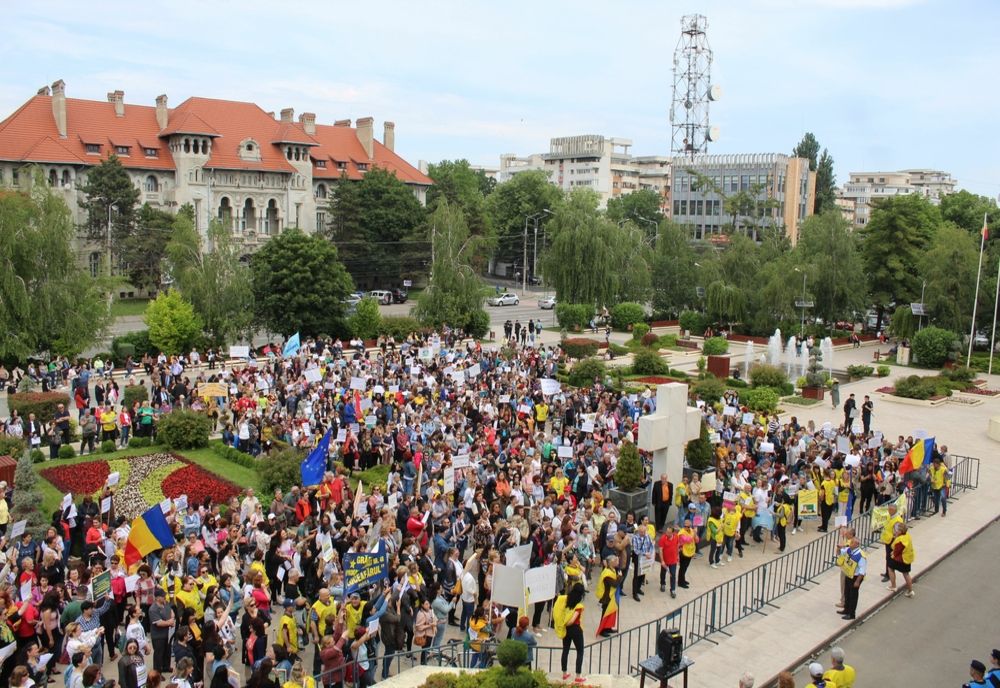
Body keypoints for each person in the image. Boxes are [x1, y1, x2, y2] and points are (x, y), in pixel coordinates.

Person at [558, 583, 585, 684]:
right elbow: (572, 620)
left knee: (565, 650)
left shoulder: (567, 600)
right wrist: (567, 623)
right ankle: (578, 675)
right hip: (575, 630)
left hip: (567, 630)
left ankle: (564, 673)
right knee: (580, 651)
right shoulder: (578, 605)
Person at [838, 536, 866, 620]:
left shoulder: (861, 556)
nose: (850, 543)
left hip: (855, 577)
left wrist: (857, 581)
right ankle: (846, 610)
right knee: (847, 592)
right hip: (848, 575)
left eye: (852, 542)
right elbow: (841, 552)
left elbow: (862, 571)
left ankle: (851, 614)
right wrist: (839, 548)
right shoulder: (849, 550)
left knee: (853, 595)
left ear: (856, 544)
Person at [594, 555, 621, 637]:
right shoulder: (607, 573)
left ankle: (608, 627)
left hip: (611, 596)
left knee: (611, 612)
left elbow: (618, 568)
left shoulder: (612, 569)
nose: (616, 562)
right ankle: (602, 630)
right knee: (605, 613)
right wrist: (619, 577)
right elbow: (615, 584)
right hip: (606, 597)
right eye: (615, 561)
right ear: (610, 563)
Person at [887, 521, 915, 597]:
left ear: (900, 531)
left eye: (896, 530)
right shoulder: (907, 535)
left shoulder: (900, 540)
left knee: (890, 568)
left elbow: (897, 550)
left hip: (901, 559)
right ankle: (910, 590)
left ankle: (893, 586)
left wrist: (892, 554)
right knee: (906, 573)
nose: (895, 531)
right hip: (908, 557)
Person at [879, 504, 903, 582]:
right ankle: (887, 572)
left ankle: (889, 574)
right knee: (888, 557)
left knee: (890, 558)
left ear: (893, 510)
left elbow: (897, 532)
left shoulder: (897, 520)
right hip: (888, 540)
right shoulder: (891, 516)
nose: (888, 511)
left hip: (892, 541)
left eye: (889, 510)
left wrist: (894, 542)